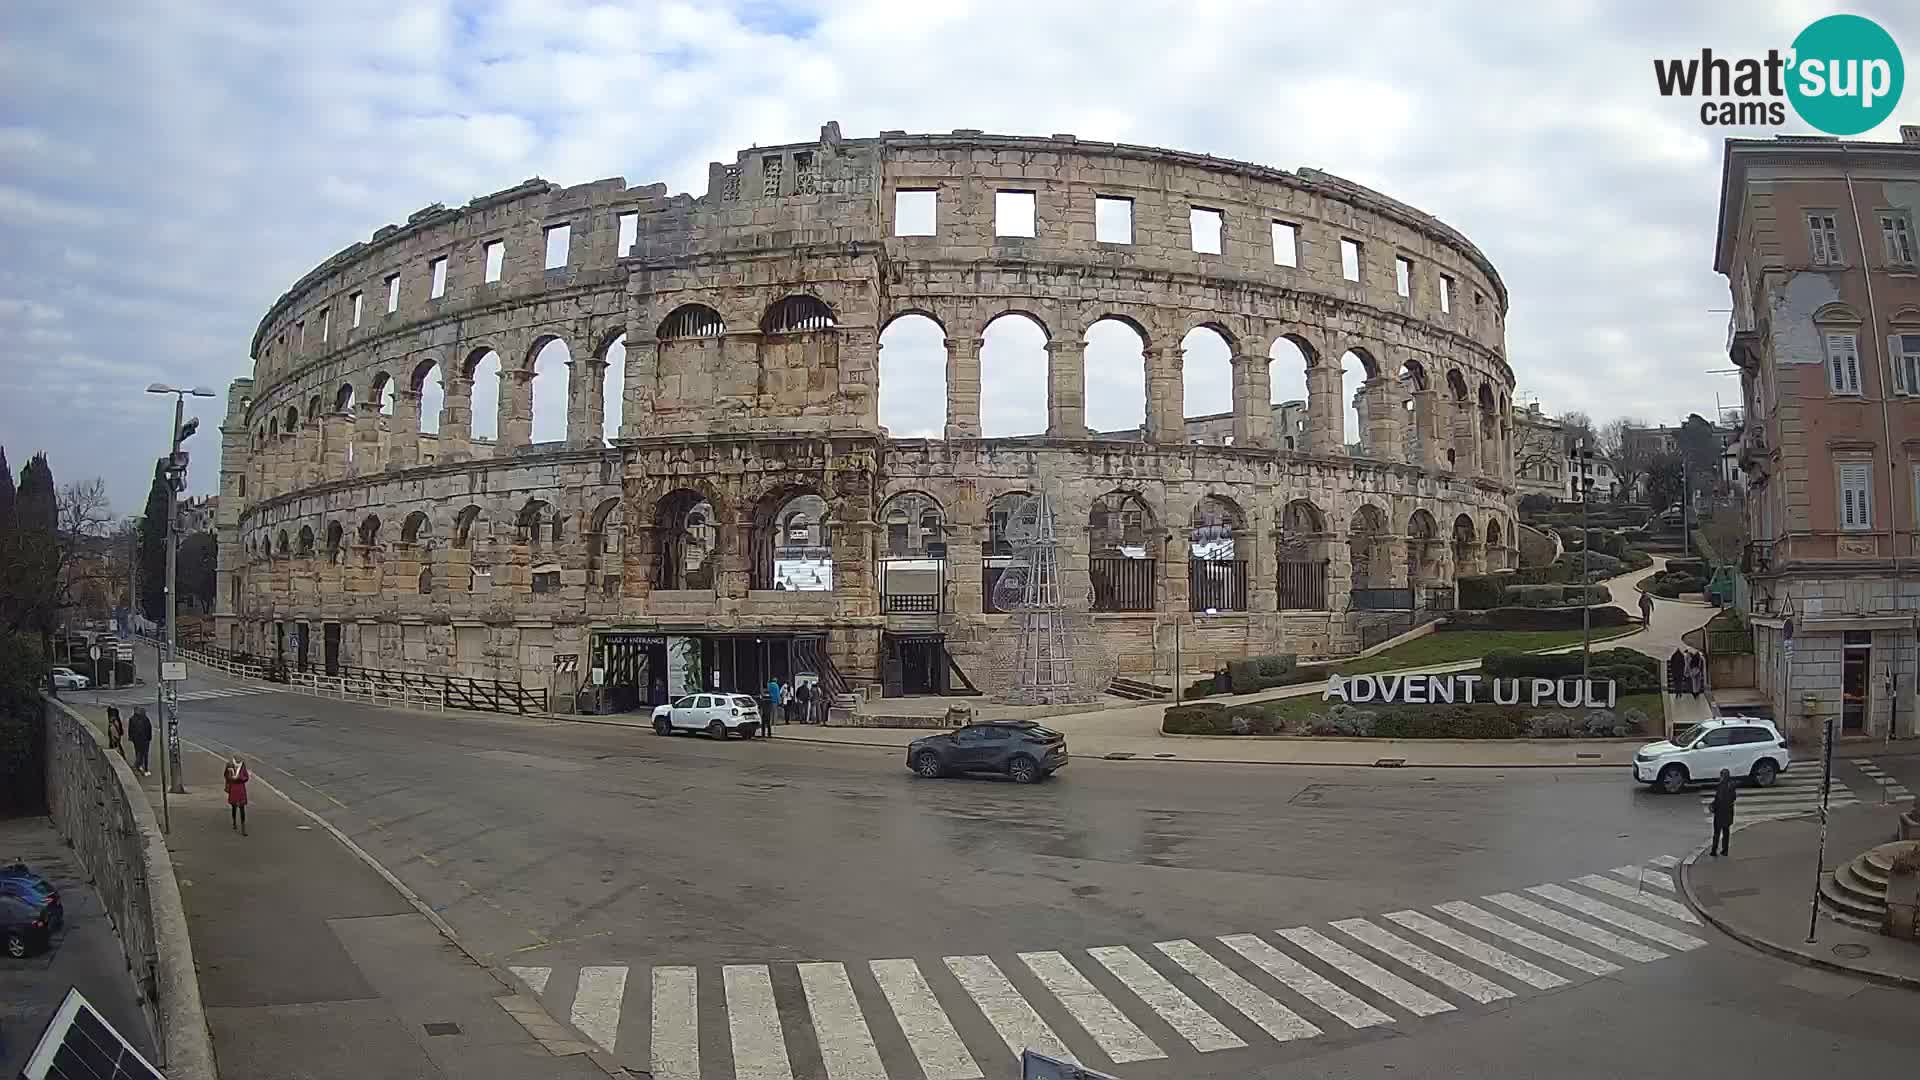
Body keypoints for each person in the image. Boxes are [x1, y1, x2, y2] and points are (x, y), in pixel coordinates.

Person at [1710, 768, 1736, 856]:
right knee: (1726, 832)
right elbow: (1733, 798)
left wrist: (1713, 806)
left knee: (1716, 833)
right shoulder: (1732, 785)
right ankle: (1725, 850)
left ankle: (1714, 850)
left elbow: (1718, 799)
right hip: (1728, 813)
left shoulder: (1720, 786)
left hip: (1720, 814)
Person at [224, 757, 250, 836]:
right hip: (237, 788)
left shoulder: (239, 765)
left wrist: (238, 778)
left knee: (239, 808)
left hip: (238, 789)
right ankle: (237, 823)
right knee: (235, 807)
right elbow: (227, 776)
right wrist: (233, 777)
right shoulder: (230, 765)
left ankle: (241, 827)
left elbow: (246, 777)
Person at [127, 706, 153, 775]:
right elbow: (149, 729)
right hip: (144, 740)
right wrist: (149, 738)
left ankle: (139, 766)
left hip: (137, 740)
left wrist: (130, 737)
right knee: (144, 754)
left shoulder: (132, 719)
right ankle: (144, 768)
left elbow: (130, 730)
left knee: (138, 753)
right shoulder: (145, 719)